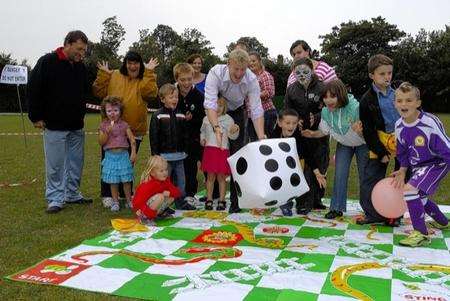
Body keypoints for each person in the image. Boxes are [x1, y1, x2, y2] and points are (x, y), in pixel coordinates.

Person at [27, 30, 92, 213]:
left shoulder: (80, 67)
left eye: (84, 51)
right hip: (54, 125)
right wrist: (36, 116)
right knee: (55, 165)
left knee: (76, 163)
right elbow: (33, 89)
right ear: (68, 44)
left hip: (76, 125)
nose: (82, 54)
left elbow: (86, 90)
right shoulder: (47, 62)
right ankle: (55, 198)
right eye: (79, 49)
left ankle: (72, 194)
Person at [93, 51, 158, 207]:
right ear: (125, 63)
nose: (132, 66)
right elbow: (98, 92)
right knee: (108, 164)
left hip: (134, 129)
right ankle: (107, 194)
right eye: (129, 62)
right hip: (111, 129)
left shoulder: (145, 77)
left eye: (136, 63)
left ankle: (125, 195)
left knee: (127, 165)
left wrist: (149, 72)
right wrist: (103, 74)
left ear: (140, 65)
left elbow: (150, 94)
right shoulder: (114, 74)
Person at [204, 48, 265, 213]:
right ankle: (214, 195)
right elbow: (210, 103)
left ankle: (236, 201)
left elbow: (256, 109)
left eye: (243, 69)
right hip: (217, 110)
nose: (239, 73)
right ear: (228, 64)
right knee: (214, 149)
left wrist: (261, 136)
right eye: (236, 69)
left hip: (238, 111)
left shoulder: (252, 79)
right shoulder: (215, 73)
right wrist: (216, 127)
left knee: (237, 154)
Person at [391, 82, 449, 247]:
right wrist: (402, 170)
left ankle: (421, 234)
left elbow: (446, 147)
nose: (404, 104)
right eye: (400, 100)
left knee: (409, 190)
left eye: (409, 100)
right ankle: (443, 222)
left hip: (437, 163)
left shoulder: (429, 123)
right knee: (419, 198)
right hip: (419, 166)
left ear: (418, 103)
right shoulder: (399, 126)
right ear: (395, 103)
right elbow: (402, 152)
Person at [302, 79, 368, 219]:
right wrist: (312, 134)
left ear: (341, 95)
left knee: (365, 176)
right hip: (344, 144)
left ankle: (369, 209)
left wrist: (360, 131)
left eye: (332, 96)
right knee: (340, 174)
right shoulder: (326, 112)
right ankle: (336, 208)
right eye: (325, 97)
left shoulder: (356, 108)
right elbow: (324, 131)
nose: (328, 100)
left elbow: (368, 132)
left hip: (362, 144)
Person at [358, 54, 401, 226]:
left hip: (402, 141)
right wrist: (381, 152)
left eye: (389, 73)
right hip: (380, 141)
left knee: (402, 179)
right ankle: (372, 214)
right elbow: (368, 131)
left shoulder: (399, 91)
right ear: (372, 75)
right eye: (382, 74)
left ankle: (395, 215)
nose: (387, 77)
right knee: (370, 178)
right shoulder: (366, 100)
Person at [284, 57, 328, 214]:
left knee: (321, 164)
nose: (301, 75)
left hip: (320, 133)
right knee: (304, 168)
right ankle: (302, 202)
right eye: (298, 73)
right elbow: (287, 110)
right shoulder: (291, 90)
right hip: (300, 135)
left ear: (312, 70)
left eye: (305, 72)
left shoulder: (323, 87)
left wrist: (316, 117)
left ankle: (317, 199)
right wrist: (297, 121)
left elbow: (328, 108)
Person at [149, 84, 195, 210]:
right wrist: (155, 154)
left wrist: (186, 149)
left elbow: (185, 134)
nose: (175, 99)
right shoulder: (157, 116)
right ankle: (164, 206)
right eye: (171, 97)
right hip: (164, 158)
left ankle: (180, 202)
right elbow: (154, 136)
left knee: (181, 183)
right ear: (163, 99)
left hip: (180, 157)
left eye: (176, 97)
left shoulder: (181, 115)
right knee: (164, 183)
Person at [173, 63, 205, 204]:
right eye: (183, 79)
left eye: (189, 79)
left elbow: (203, 117)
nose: (186, 83)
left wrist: (193, 118)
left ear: (193, 78)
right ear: (177, 79)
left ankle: (191, 193)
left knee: (192, 166)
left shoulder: (198, 96)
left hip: (194, 138)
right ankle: (176, 193)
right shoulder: (172, 94)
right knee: (177, 167)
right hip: (176, 139)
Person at [200, 97, 240, 210]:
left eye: (220, 105)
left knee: (221, 177)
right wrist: (202, 139)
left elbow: (233, 137)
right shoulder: (206, 119)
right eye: (214, 105)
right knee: (210, 177)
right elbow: (202, 131)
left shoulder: (228, 119)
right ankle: (209, 199)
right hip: (210, 151)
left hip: (222, 151)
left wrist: (234, 130)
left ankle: (222, 200)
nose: (217, 108)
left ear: (225, 107)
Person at [98, 96, 136, 212]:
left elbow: (132, 140)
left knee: (126, 180)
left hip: (123, 155)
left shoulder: (124, 125)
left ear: (120, 111)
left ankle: (129, 201)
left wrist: (133, 153)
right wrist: (106, 132)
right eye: (109, 111)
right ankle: (115, 202)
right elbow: (101, 142)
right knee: (113, 181)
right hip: (110, 156)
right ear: (105, 112)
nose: (112, 113)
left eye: (115, 110)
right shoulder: (103, 126)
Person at [268, 109, 303, 216]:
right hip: (278, 166)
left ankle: (296, 204)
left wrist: (305, 172)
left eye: (294, 123)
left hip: (294, 166)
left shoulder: (299, 138)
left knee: (294, 184)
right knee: (279, 183)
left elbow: (305, 155)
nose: (291, 126)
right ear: (280, 123)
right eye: (287, 123)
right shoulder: (274, 134)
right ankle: (282, 204)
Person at [132, 156, 180, 225]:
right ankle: (145, 218)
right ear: (152, 173)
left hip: (152, 205)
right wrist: (138, 211)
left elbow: (177, 192)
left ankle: (159, 214)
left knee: (171, 197)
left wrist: (169, 193)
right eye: (161, 171)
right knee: (160, 197)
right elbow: (137, 201)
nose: (165, 173)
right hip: (142, 210)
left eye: (166, 170)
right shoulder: (148, 185)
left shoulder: (165, 180)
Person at [247, 51, 277, 142]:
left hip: (266, 113)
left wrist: (253, 95)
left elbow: (269, 92)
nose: (251, 63)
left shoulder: (265, 75)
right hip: (251, 115)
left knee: (265, 142)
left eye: (253, 61)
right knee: (254, 142)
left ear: (260, 61)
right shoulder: (249, 77)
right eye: (249, 61)